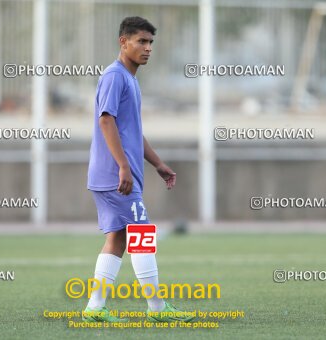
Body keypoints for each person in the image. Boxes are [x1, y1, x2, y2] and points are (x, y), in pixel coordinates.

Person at [83, 16, 194, 323]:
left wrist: (157, 164)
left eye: (150, 43)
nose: (147, 48)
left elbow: (130, 130)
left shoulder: (131, 80)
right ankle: (157, 308)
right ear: (124, 42)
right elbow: (106, 120)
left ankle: (95, 307)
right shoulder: (115, 76)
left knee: (118, 239)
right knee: (142, 234)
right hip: (115, 175)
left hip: (111, 175)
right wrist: (123, 167)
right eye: (141, 42)